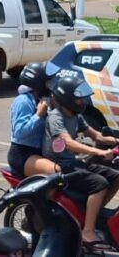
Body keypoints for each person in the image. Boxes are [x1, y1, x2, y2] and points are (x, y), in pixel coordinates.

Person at [42, 75, 119, 248]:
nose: (82, 101)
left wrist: (114, 141)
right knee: (99, 184)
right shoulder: (56, 117)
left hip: (74, 163)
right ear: (67, 98)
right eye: (79, 98)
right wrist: (98, 151)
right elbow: (68, 142)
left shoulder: (76, 115)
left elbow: (96, 135)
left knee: (115, 177)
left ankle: (93, 213)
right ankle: (88, 231)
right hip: (61, 165)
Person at [8, 62, 57, 178]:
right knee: (57, 172)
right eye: (47, 82)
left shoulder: (40, 100)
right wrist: (38, 115)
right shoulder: (23, 101)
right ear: (38, 82)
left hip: (39, 152)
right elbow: (19, 132)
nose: (50, 85)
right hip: (23, 154)